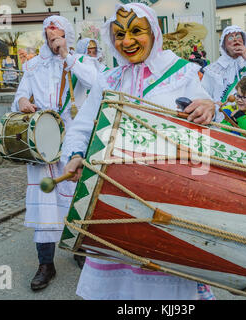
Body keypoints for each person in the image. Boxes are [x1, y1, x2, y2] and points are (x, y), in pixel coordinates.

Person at [62, 2, 217, 300]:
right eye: (119, 34)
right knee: (119, 289)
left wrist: (210, 106)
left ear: (154, 33)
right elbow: (81, 127)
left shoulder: (183, 72)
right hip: (114, 199)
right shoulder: (108, 80)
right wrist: (75, 155)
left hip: (169, 198)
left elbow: (209, 122)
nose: (127, 41)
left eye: (136, 31)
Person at [11, 15, 98, 291]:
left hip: (74, 142)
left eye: (58, 37)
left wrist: (66, 56)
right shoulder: (33, 66)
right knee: (44, 202)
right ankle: (45, 264)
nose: (53, 41)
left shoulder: (82, 63)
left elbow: (98, 84)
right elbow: (20, 96)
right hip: (43, 141)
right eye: (49, 38)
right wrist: (23, 101)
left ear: (68, 37)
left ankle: (81, 252)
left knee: (78, 199)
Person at [201, 25, 246, 123]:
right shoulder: (213, 69)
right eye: (230, 37)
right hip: (222, 121)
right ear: (224, 45)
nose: (235, 40)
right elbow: (204, 95)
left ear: (243, 41)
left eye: (238, 36)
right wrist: (213, 104)